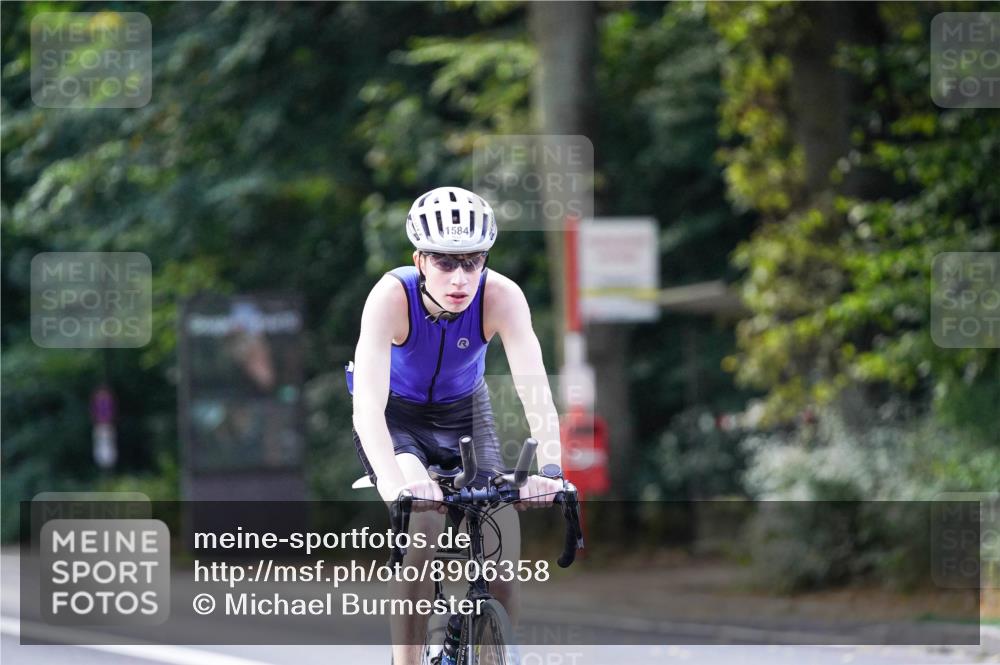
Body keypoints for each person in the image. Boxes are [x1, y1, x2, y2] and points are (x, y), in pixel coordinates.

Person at [349, 186, 566, 665]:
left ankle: (494, 652)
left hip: (465, 415)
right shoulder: (391, 296)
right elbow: (367, 408)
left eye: (473, 261)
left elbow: (535, 389)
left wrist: (551, 468)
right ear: (420, 261)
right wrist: (395, 486)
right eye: (446, 262)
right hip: (397, 419)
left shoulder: (502, 296)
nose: (461, 278)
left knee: (504, 543)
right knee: (424, 522)